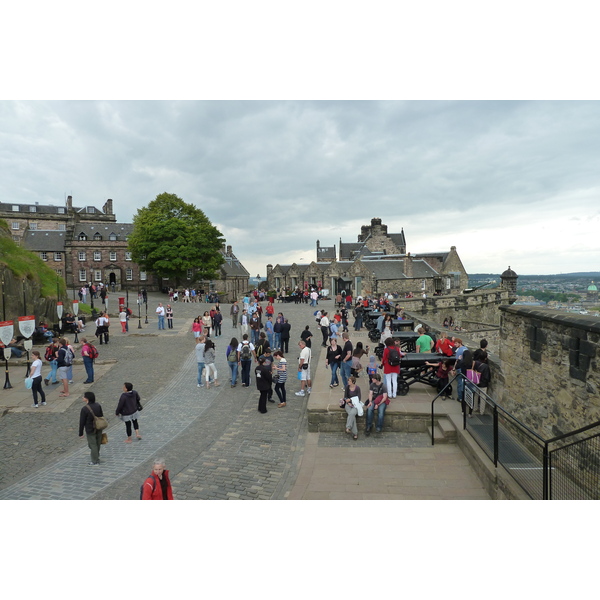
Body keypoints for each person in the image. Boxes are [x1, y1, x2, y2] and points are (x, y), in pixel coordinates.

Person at [78, 391, 104, 466]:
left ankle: (94, 460)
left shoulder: (84, 409)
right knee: (97, 443)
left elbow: (82, 421)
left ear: (87, 399)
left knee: (92, 445)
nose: (82, 397)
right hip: (99, 427)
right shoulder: (98, 405)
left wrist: (80, 433)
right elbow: (101, 415)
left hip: (90, 429)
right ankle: (96, 457)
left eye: (84, 396)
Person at [343, 376, 361, 440]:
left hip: (355, 405)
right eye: (348, 381)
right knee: (352, 415)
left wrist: (351, 401)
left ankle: (348, 427)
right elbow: (345, 397)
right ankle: (355, 433)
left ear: (353, 381)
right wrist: (348, 402)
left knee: (351, 414)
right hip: (348, 405)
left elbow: (358, 398)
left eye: (349, 381)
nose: (348, 382)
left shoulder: (357, 388)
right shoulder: (347, 387)